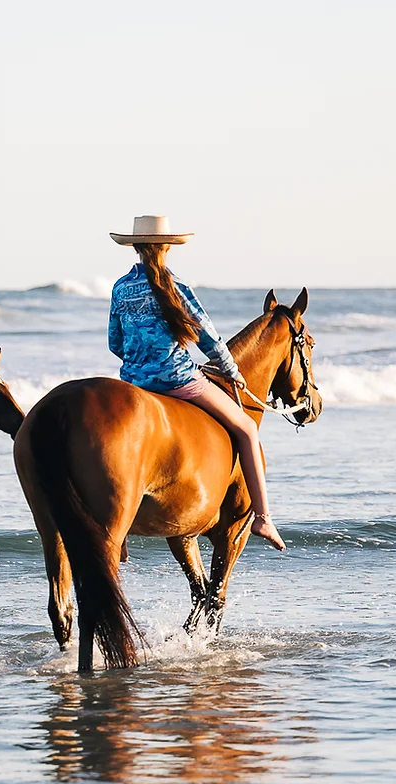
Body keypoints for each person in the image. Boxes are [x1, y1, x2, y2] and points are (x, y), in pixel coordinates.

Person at [107, 215, 285, 550]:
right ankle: (262, 518)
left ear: (136, 247)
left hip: (133, 383)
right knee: (246, 428)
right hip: (177, 378)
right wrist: (232, 371)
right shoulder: (175, 286)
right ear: (166, 248)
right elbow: (209, 339)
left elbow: (114, 343)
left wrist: (140, 361)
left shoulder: (120, 287)